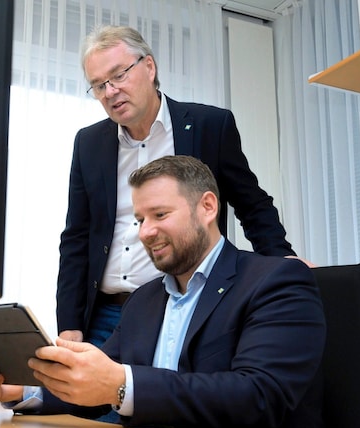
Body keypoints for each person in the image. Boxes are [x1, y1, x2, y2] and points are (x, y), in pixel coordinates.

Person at [0, 155, 330, 428]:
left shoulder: (277, 280)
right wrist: (21, 388)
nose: (145, 232)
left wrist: (121, 384)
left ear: (207, 207)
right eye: (140, 219)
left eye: (160, 215)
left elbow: (260, 396)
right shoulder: (143, 299)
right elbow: (97, 382)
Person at [57, 25, 303, 347]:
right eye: (99, 85)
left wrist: (282, 260)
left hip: (186, 302)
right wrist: (70, 324)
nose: (111, 91)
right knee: (93, 397)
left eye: (118, 76)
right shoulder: (89, 143)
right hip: (106, 314)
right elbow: (76, 236)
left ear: (148, 67)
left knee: (176, 396)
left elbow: (252, 204)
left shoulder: (209, 126)